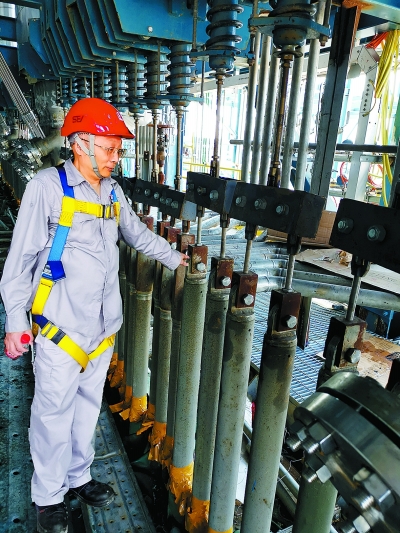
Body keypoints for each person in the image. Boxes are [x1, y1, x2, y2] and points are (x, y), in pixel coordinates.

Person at [0, 98, 188, 533]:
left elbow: (136, 235)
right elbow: (21, 258)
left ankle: (78, 476)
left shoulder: (113, 191)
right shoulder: (47, 187)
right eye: (109, 147)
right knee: (52, 415)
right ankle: (48, 498)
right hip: (60, 328)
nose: (116, 156)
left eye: (118, 148)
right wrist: (15, 320)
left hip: (102, 330)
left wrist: (177, 259)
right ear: (80, 143)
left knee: (88, 408)